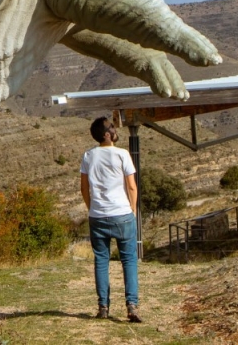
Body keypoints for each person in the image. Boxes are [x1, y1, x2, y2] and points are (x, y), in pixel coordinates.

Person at [80, 116, 141, 322]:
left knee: (101, 260)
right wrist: (132, 210)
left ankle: (103, 306)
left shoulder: (88, 156)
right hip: (122, 214)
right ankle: (131, 305)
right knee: (129, 259)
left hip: (98, 215)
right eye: (112, 127)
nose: (115, 129)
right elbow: (131, 186)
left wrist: (92, 208)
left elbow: (84, 188)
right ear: (107, 134)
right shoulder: (122, 154)